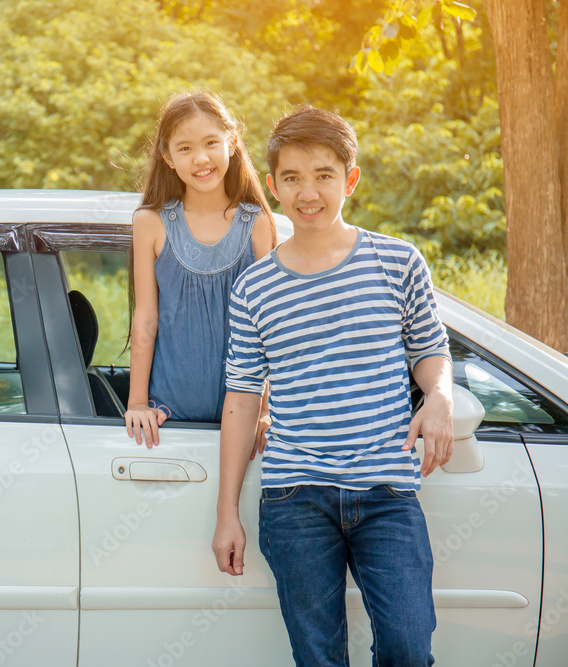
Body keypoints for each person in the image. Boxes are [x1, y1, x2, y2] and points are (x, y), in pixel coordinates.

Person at [212, 105, 453, 666]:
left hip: (387, 491)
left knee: (409, 647)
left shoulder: (398, 261)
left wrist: (438, 397)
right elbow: (242, 398)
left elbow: (429, 350)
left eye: (323, 175)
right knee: (318, 657)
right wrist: (227, 512)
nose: (308, 191)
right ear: (273, 186)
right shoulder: (255, 287)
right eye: (292, 178)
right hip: (296, 497)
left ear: (350, 179)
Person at [125, 90, 277, 448]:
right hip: (169, 419)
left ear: (233, 142)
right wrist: (137, 403)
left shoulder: (256, 225)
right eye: (186, 148)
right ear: (168, 157)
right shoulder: (151, 223)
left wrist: (267, 410)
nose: (201, 158)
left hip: (245, 421)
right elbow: (146, 319)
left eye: (211, 142)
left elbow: (268, 326)